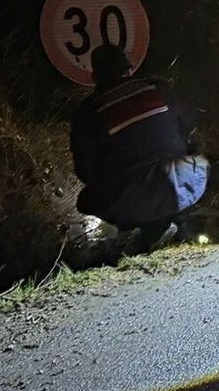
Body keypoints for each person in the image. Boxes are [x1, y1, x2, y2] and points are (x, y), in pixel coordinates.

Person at [72, 44, 208, 251]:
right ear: (128, 70)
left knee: (87, 200)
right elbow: (189, 123)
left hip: (133, 199)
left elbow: (84, 170)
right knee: (195, 159)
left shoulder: (88, 112)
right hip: (182, 182)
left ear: (94, 77)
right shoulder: (158, 87)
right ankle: (177, 216)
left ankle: (140, 227)